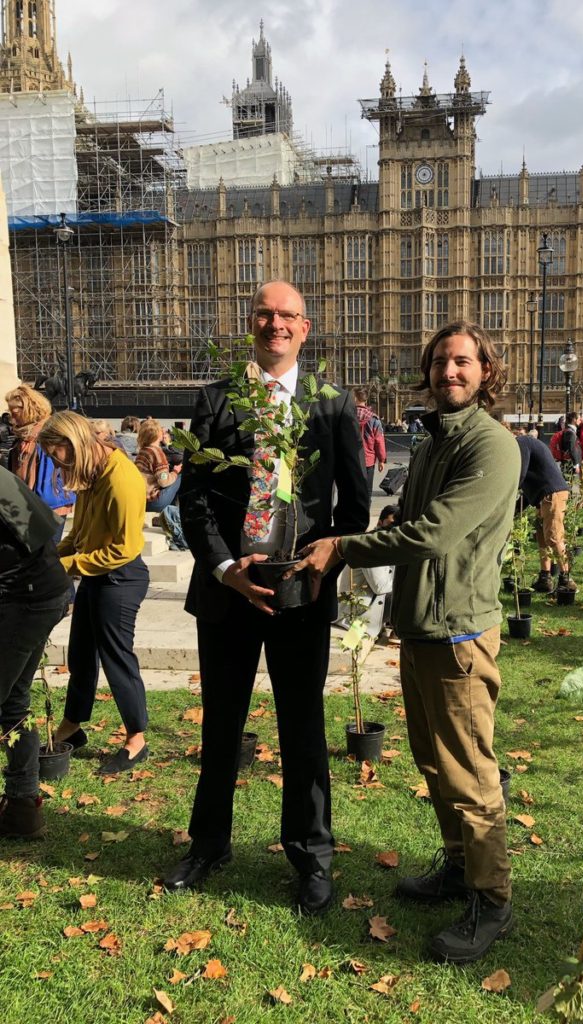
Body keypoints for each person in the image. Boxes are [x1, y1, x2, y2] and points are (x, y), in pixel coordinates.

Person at [290, 320, 520, 963]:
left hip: (460, 635)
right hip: (423, 629)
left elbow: (436, 534)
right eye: (442, 361)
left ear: (486, 373)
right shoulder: (435, 440)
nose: (450, 371)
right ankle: (457, 868)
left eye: (464, 363)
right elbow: (413, 521)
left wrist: (345, 546)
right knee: (435, 763)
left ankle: (492, 900)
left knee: (470, 772)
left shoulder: (491, 445)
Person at [162, 280, 368, 915]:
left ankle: (312, 856)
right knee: (222, 721)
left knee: (302, 725)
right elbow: (193, 498)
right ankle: (209, 844)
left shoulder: (332, 405)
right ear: (251, 323)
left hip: (298, 593)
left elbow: (353, 505)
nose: (275, 325)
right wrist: (224, 566)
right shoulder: (216, 401)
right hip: (228, 591)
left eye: (288, 316)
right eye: (265, 315)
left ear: (305, 329)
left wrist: (321, 565)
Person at [38, 412, 150, 775]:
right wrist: (52, 555)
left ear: (74, 444)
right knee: (82, 653)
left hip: (121, 577)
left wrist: (67, 565)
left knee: (117, 657)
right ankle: (73, 724)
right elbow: (79, 534)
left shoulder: (121, 478)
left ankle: (137, 739)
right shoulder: (93, 473)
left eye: (58, 455)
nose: (57, 463)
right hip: (94, 573)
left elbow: (126, 548)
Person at [0, 466, 70, 838]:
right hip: (44, 591)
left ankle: (23, 804)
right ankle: (23, 808)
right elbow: (46, 523)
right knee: (12, 702)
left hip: (28, 598)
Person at [5, 385, 75, 543]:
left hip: (49, 504)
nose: (11, 418)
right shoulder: (23, 435)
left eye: (15, 413)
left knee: (47, 550)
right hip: (29, 503)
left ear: (28, 409)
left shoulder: (49, 432)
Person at [516, 434, 576, 593]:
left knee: (554, 537)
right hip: (545, 496)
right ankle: (545, 578)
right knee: (542, 538)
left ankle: (566, 579)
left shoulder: (521, 443)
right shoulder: (526, 443)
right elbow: (528, 483)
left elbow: (519, 475)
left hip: (552, 494)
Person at [335, 504, 398, 638]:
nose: (394, 530)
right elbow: (380, 586)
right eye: (391, 524)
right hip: (356, 619)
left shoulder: (391, 544)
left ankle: (397, 632)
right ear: (379, 523)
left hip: (373, 614)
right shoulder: (370, 545)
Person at [134, 418, 182, 513]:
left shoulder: (142, 451)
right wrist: (176, 471)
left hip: (141, 500)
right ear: (158, 434)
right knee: (181, 476)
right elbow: (163, 481)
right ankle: (174, 513)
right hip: (154, 501)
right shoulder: (157, 453)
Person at [353, 388, 387, 498]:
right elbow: (379, 441)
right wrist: (381, 460)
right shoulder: (374, 419)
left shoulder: (346, 416)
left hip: (351, 459)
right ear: (366, 400)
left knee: (351, 490)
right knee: (367, 491)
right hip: (368, 460)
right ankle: (365, 513)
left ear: (354, 398)